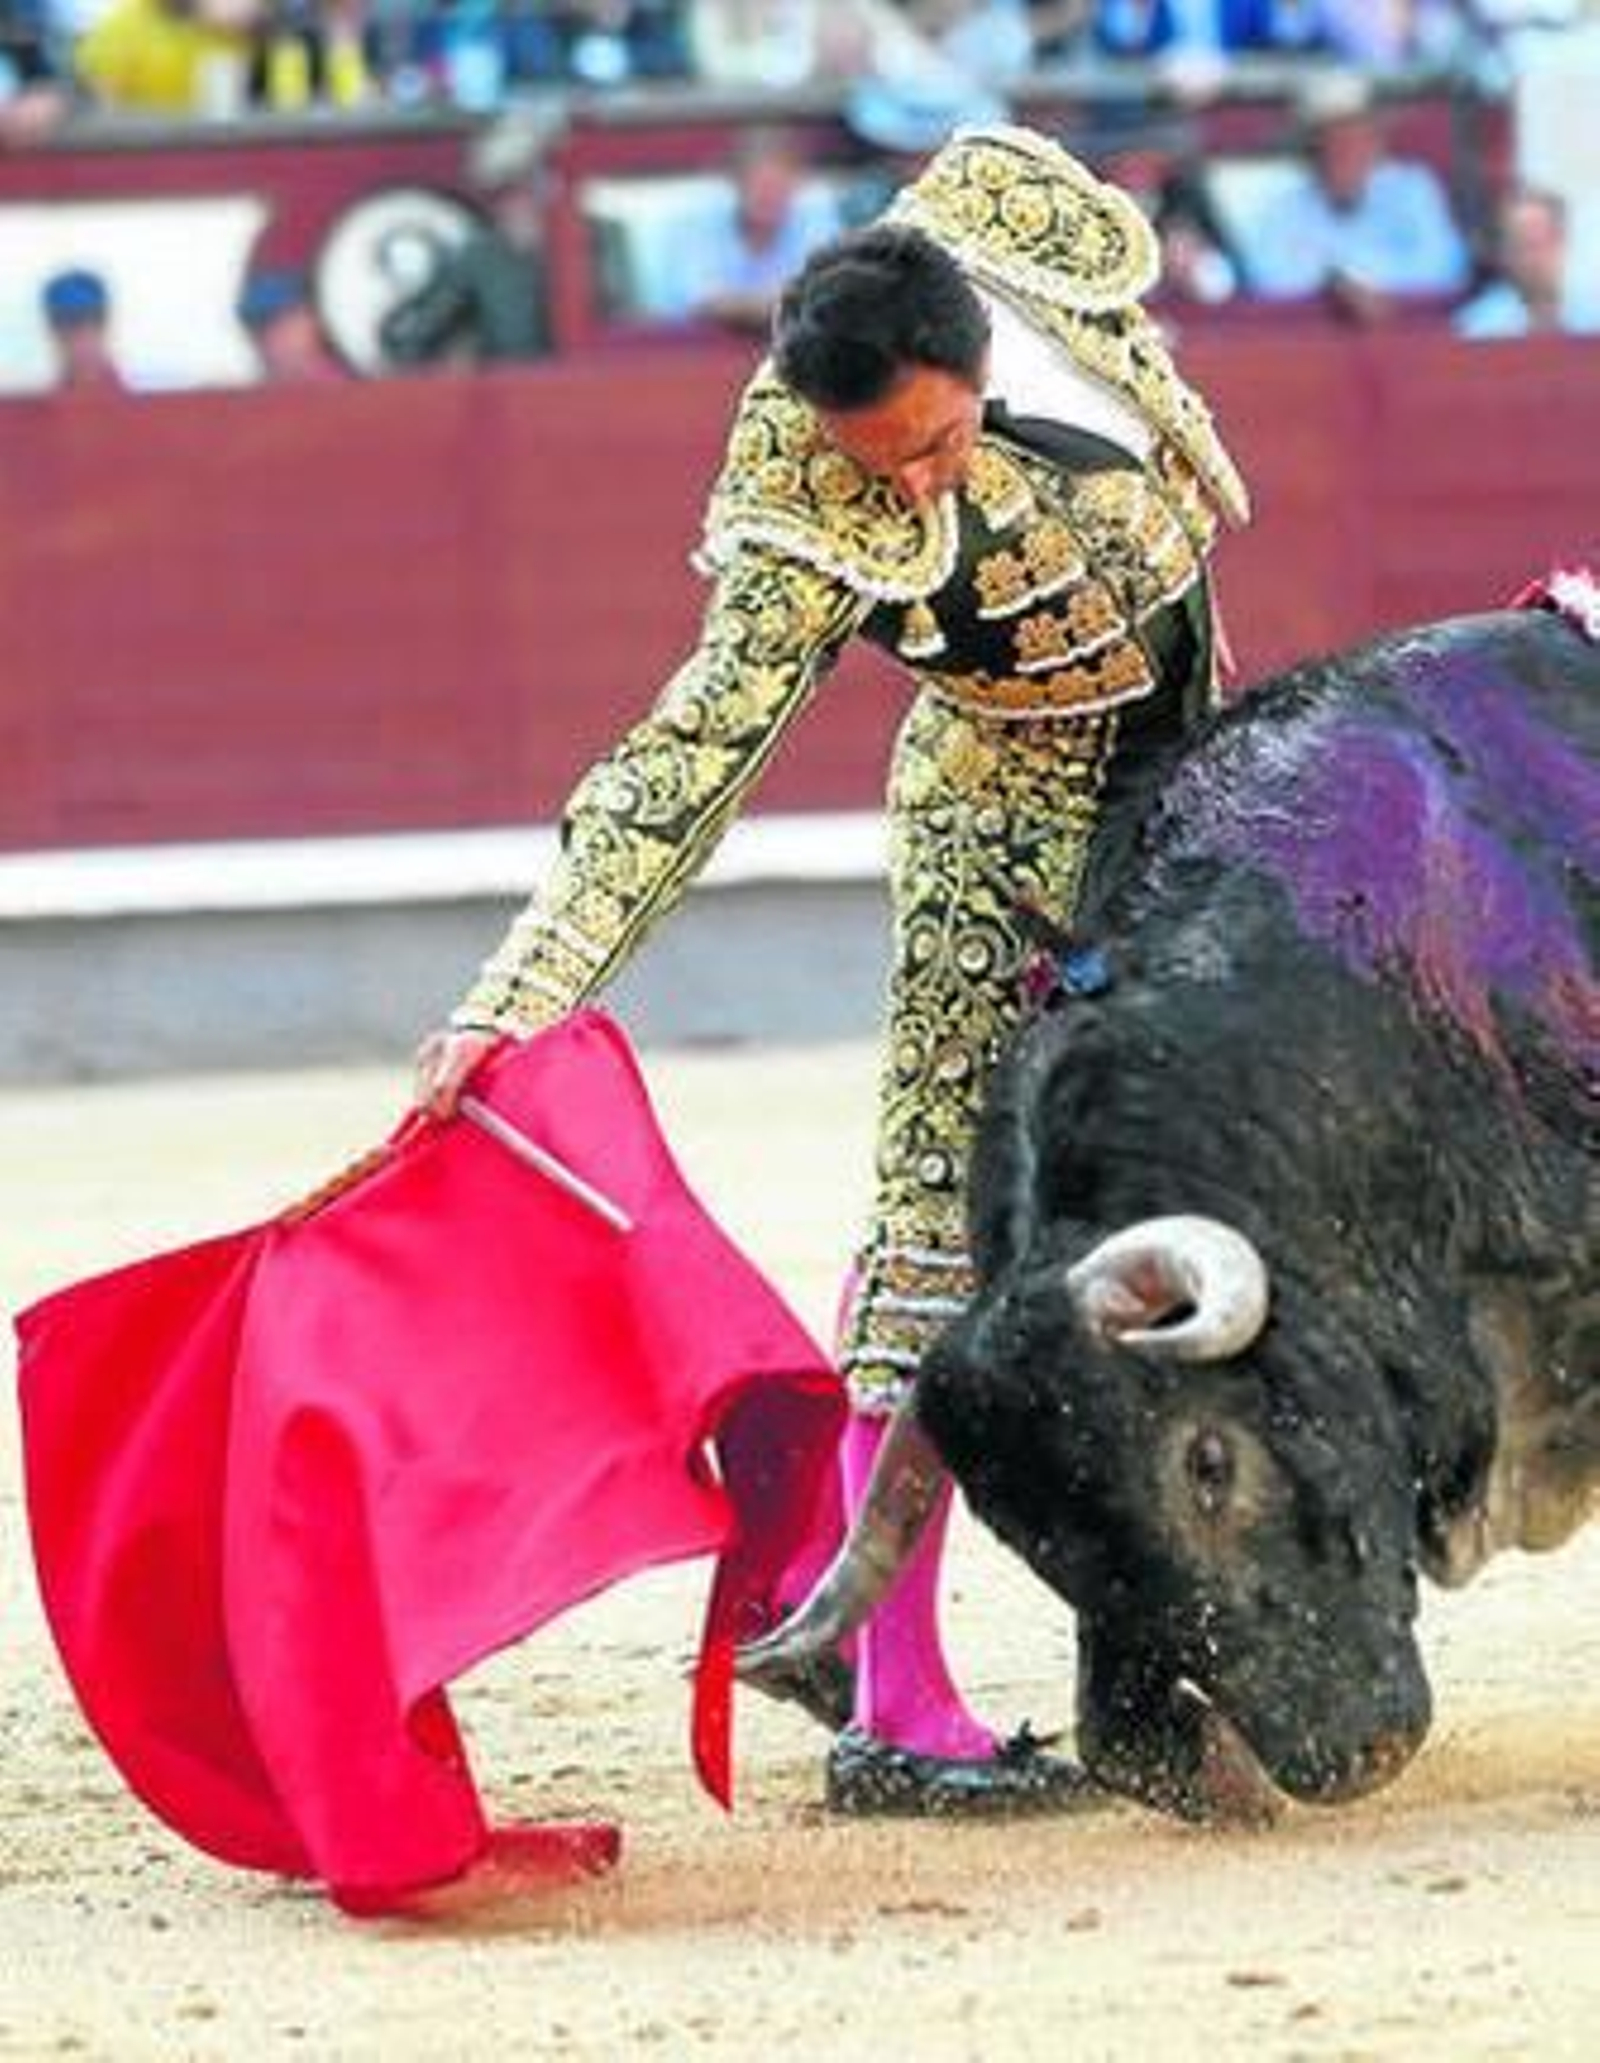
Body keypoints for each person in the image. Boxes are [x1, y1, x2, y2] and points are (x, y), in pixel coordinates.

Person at [414, 125, 1251, 1816]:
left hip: (1201, 780)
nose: (916, 484)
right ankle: (894, 1698)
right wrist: (518, 990)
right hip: (1000, 838)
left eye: (933, 442)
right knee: (935, 1230)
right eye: (887, 464)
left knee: (1246, 1169)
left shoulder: (1008, 231)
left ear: (976, 346)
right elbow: (686, 754)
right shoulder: (811, 481)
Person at [1238, 71, 1471, 321]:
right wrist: (1334, 285)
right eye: (1332, 139)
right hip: (1315, 348)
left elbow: (1446, 268)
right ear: (1310, 150)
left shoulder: (1412, 190)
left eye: (1358, 137)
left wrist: (1361, 281)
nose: (1347, 150)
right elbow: (1266, 281)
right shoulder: (1282, 208)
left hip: (1416, 341)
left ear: (1376, 143)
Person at [1453, 183, 1600, 339]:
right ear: (1503, 254)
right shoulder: (1479, 327)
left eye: (1541, 242)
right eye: (1520, 245)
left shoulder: (1592, 316)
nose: (1532, 258)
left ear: (1561, 242)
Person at [40, 266, 127, 390]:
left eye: (90, 319)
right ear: (53, 330)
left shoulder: (141, 403)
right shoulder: (42, 404)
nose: (78, 335)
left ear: (104, 324)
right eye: (66, 322)